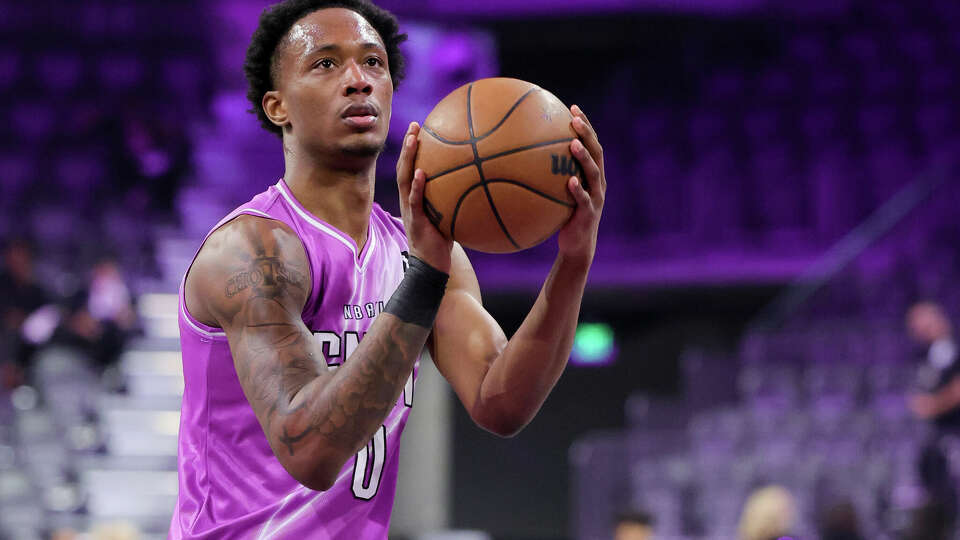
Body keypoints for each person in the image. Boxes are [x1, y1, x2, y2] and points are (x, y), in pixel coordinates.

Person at [170, 0, 606, 538]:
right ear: (277, 106)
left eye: (373, 62)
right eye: (325, 64)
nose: (358, 80)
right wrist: (423, 277)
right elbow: (308, 451)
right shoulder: (251, 252)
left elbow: (501, 402)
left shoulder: (417, 250)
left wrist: (573, 261)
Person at [906, 301, 959, 534]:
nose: (917, 331)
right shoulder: (928, 355)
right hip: (936, 436)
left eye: (921, 323)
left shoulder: (953, 348)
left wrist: (933, 404)